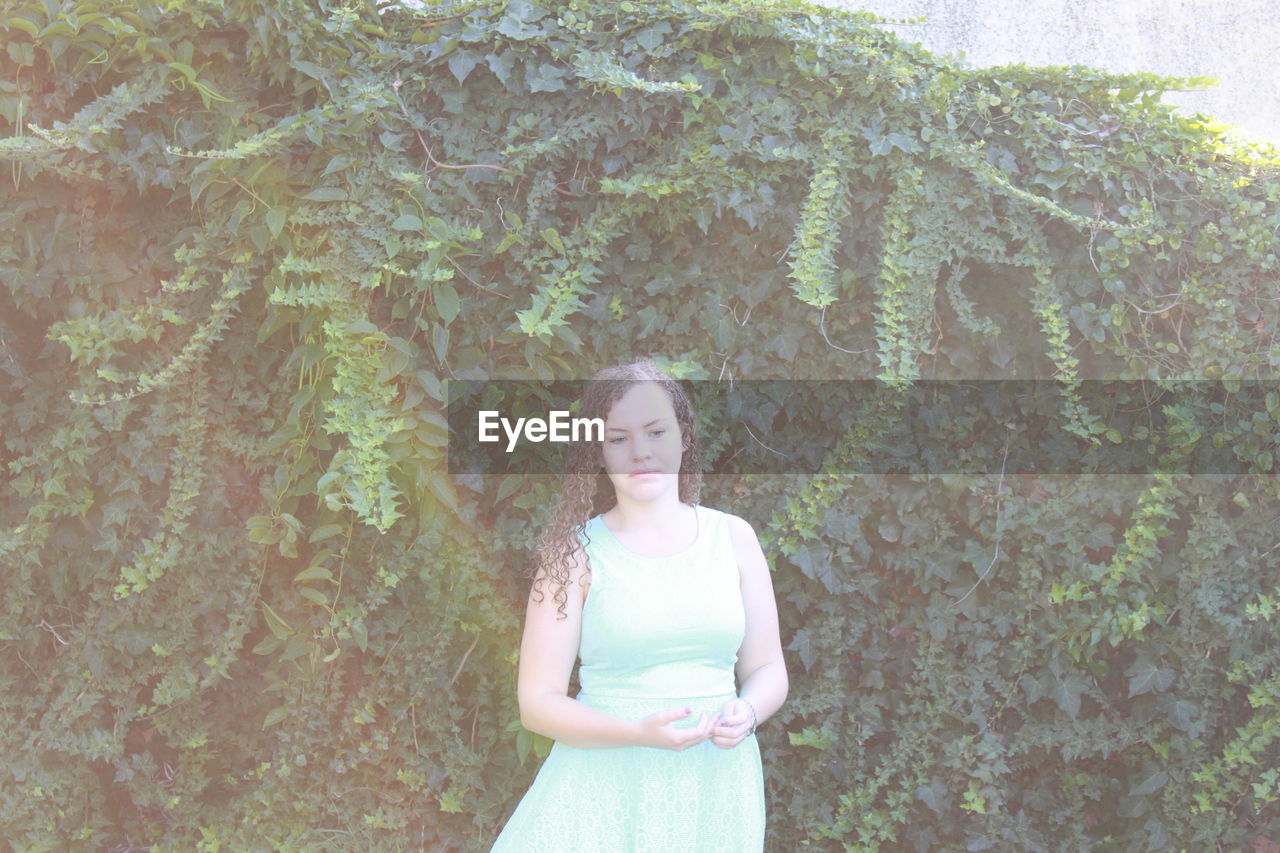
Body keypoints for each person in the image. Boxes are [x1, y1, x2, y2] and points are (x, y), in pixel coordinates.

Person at [490, 361, 788, 852]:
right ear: (598, 450)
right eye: (619, 438)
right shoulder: (572, 554)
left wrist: (749, 710)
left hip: (715, 781)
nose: (641, 452)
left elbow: (768, 667)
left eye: (656, 432)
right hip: (606, 783)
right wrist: (636, 732)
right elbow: (537, 704)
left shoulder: (733, 537)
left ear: (683, 437)